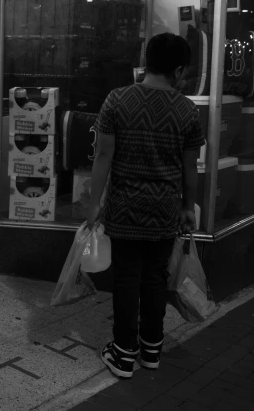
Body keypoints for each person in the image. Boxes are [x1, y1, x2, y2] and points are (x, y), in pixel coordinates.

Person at [86, 32, 204, 379]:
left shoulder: (117, 100)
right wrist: (187, 206)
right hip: (165, 209)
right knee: (155, 276)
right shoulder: (186, 110)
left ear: (147, 60)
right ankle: (151, 349)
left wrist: (95, 203)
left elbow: (102, 156)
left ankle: (123, 354)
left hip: (124, 206)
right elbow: (189, 168)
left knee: (126, 277)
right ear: (179, 70)